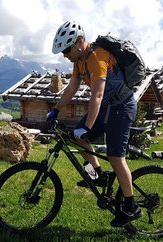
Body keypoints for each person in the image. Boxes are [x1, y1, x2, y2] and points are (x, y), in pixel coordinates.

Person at [47, 20, 142, 227]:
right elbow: (71, 88)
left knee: (115, 157)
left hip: (122, 108)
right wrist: (56, 109)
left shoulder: (98, 57)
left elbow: (97, 95)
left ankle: (131, 206)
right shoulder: (79, 62)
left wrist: (87, 126)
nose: (65, 55)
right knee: (77, 138)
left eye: (66, 50)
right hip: (107, 107)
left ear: (79, 43)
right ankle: (99, 175)